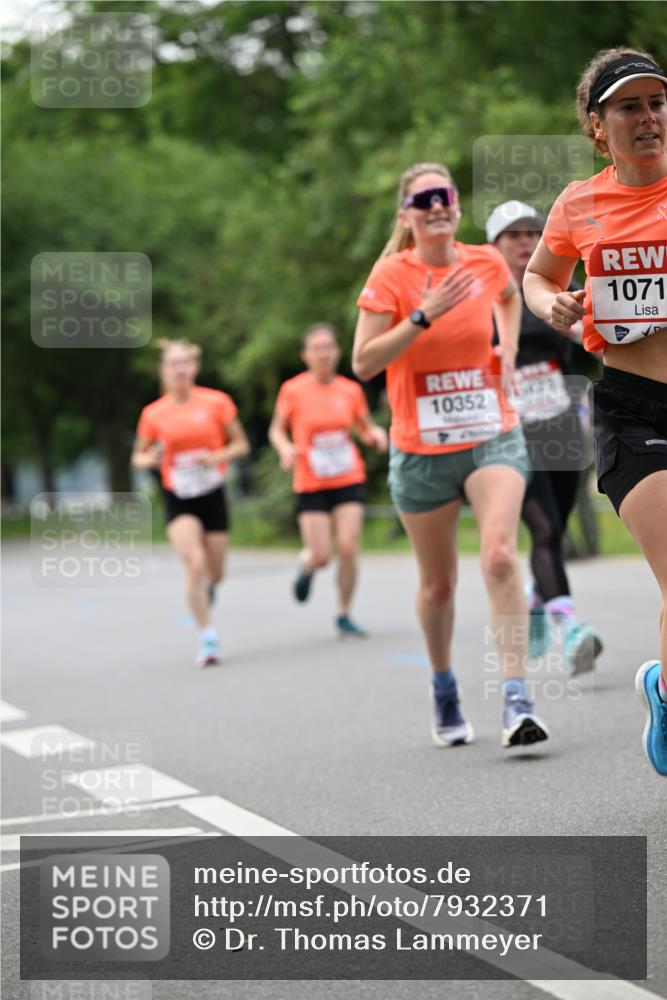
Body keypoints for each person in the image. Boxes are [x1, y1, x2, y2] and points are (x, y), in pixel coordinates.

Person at [353, 162, 549, 749]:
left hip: (491, 433)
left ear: (457, 207)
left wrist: (507, 347)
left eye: (447, 196)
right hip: (421, 450)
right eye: (425, 199)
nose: (439, 205)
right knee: (438, 586)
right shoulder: (391, 275)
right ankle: (443, 686)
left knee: (498, 558)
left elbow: (510, 297)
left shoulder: (486, 262)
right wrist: (422, 314)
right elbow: (363, 362)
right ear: (407, 215)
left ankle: (517, 699)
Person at [524, 48, 667, 776]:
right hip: (634, 410)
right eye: (627, 107)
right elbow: (539, 272)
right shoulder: (579, 203)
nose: (646, 118)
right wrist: (550, 301)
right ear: (595, 125)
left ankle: (662, 690)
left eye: (655, 103)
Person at [486, 200, 603, 673]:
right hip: (510, 433)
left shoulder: (556, 289)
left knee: (557, 526)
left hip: (559, 426)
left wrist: (584, 330)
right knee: (545, 529)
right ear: (494, 245)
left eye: (533, 233)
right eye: (513, 235)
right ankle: (571, 627)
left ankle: (537, 600)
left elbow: (592, 335)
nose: (525, 242)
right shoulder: (482, 297)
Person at [132, 338, 250, 667]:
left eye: (185, 362)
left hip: (212, 493)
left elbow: (241, 445)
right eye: (173, 363)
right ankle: (207, 637)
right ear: (164, 371)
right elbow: (137, 458)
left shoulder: (217, 402)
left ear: (194, 367)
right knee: (194, 562)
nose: (180, 369)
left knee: (216, 571)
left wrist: (218, 456)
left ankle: (208, 588)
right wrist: (151, 458)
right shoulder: (154, 413)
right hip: (178, 496)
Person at [269, 323, 388, 638]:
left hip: (348, 476)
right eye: (316, 348)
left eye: (329, 347)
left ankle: (344, 613)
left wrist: (374, 434)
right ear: (305, 355)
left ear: (337, 352)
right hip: (310, 480)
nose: (323, 353)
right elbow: (277, 430)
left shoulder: (350, 390)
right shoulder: (293, 390)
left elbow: (363, 426)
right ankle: (308, 565)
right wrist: (285, 449)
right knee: (322, 555)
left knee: (348, 547)